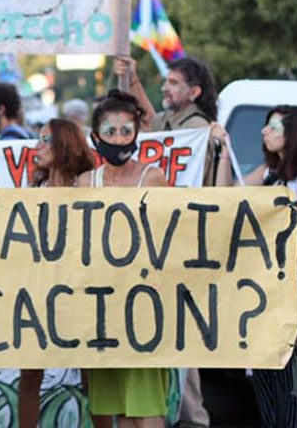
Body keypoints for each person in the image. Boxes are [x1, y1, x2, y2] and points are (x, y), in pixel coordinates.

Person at [115, 55, 216, 427]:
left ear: (194, 92)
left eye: (174, 83)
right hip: (164, 248)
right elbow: (149, 121)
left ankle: (193, 419)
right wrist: (133, 79)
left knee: (180, 340)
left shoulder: (198, 130)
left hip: (183, 247)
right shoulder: (175, 125)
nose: (166, 88)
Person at [212, 106, 297, 428]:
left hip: (294, 291)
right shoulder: (269, 172)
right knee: (266, 379)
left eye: (274, 127)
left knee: (291, 383)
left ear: (295, 132)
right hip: (263, 293)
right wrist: (223, 154)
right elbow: (225, 196)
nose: (264, 132)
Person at [78, 90, 170, 428]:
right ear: (96, 137)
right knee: (111, 410)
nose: (118, 139)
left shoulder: (153, 178)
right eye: (110, 131)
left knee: (145, 408)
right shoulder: (85, 183)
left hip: (144, 307)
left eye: (126, 131)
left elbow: (173, 235)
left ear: (136, 134)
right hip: (101, 309)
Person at [19, 118, 94, 428]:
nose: (37, 147)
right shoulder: (34, 189)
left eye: (45, 140)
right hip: (40, 293)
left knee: (93, 375)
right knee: (30, 375)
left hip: (79, 293)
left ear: (64, 145)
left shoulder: (86, 188)